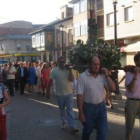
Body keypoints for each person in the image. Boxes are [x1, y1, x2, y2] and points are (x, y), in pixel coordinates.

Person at [76, 56, 116, 140]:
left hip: (101, 108)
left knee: (103, 133)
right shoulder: (82, 77)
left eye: (98, 64)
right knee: (88, 130)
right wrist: (81, 112)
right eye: (94, 64)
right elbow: (79, 96)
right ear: (89, 65)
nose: (97, 66)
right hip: (88, 108)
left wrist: (107, 75)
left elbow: (113, 88)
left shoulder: (102, 76)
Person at [47, 56, 79, 133]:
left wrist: (70, 70)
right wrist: (48, 92)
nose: (62, 63)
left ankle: (73, 126)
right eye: (60, 62)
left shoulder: (68, 70)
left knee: (69, 109)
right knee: (62, 109)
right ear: (58, 63)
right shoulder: (54, 71)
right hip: (59, 94)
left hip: (69, 93)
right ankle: (64, 123)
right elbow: (50, 81)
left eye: (63, 62)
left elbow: (71, 80)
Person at [125, 53, 140, 140]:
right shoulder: (129, 73)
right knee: (129, 127)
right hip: (132, 102)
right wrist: (136, 75)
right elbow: (131, 89)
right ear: (136, 62)